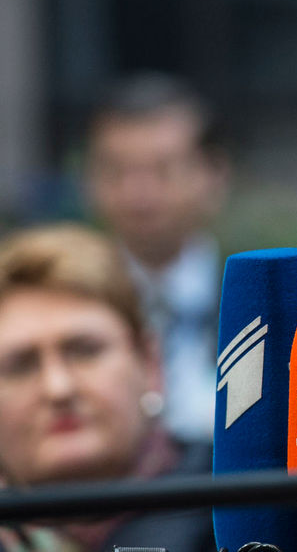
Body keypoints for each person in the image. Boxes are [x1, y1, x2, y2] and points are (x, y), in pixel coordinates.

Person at [0, 223, 215, 552]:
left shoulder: (242, 510)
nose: (59, 388)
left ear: (150, 364)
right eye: (21, 365)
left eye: (85, 350)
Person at [83, 73, 229, 443]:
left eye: (163, 170)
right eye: (116, 171)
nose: (138, 193)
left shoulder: (264, 305)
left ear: (214, 176)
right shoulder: (67, 308)